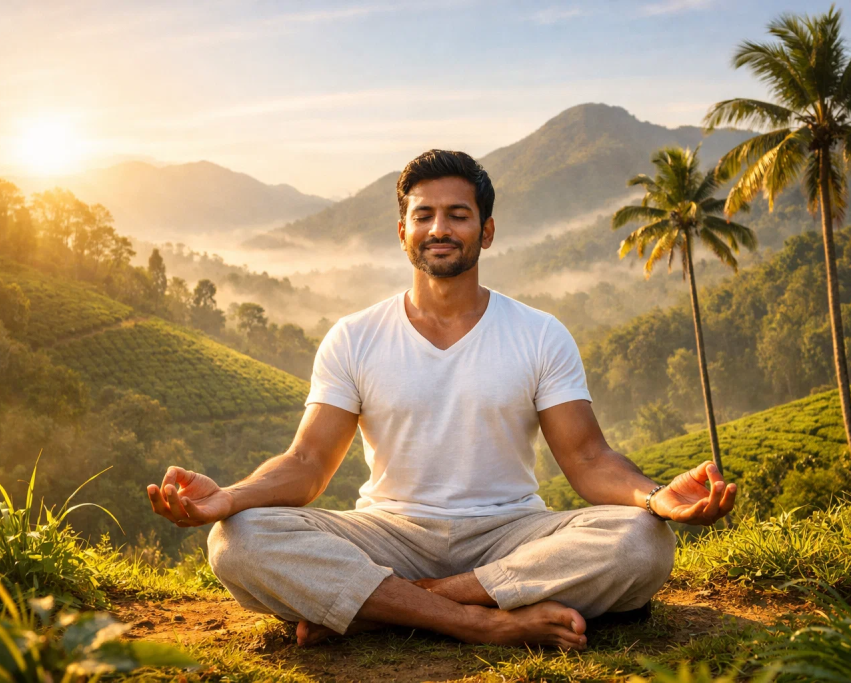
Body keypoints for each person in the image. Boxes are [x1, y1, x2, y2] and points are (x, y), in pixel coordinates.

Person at [147, 149, 737, 651]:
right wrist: (228, 498)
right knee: (237, 540)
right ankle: (480, 622)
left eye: (458, 215)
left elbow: (587, 461)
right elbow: (305, 467)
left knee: (641, 542)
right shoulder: (355, 336)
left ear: (486, 230)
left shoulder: (538, 333)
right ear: (402, 230)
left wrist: (656, 497)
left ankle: (381, 608)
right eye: (423, 215)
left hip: (510, 535)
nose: (439, 229)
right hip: (387, 534)